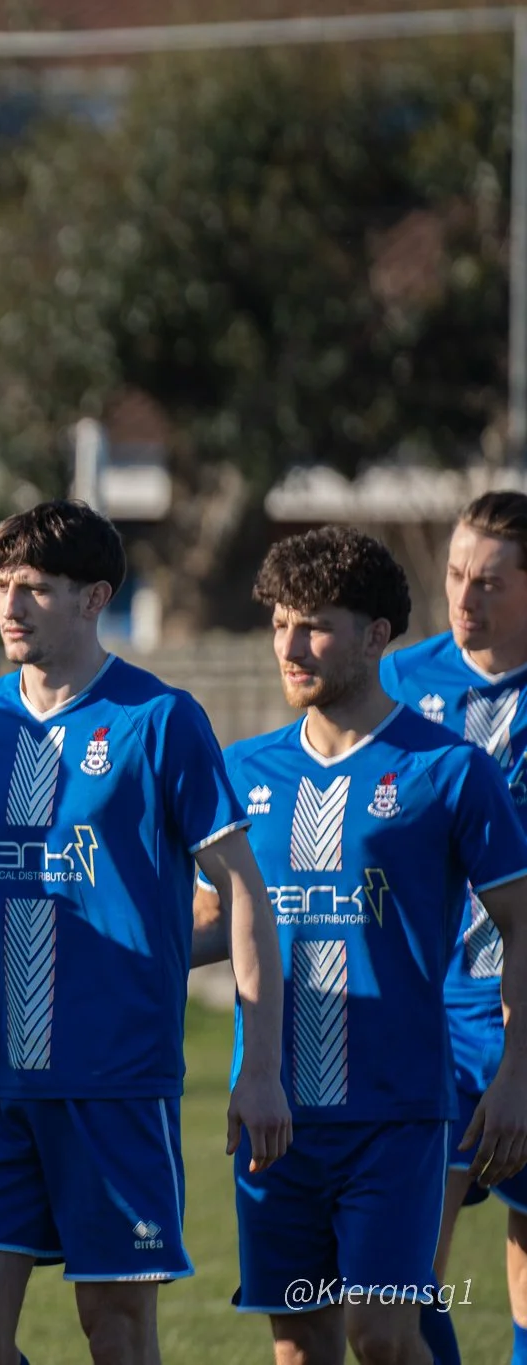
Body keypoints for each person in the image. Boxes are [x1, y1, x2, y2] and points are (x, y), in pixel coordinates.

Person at [0, 500, 289, 1365]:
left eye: (36, 589)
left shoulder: (158, 719)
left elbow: (242, 891)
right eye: (3, 585)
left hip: (116, 1082)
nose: (11, 606)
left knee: (115, 1332)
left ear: (94, 598)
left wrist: (260, 1067)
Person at [217, 526, 527, 1365]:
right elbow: (227, 920)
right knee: (299, 1345)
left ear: (377, 635)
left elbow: (520, 921)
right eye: (280, 622)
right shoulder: (243, 769)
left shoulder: (452, 771)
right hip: (275, 1107)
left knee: (384, 1335)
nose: (289, 644)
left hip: (397, 1111)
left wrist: (516, 1070)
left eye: (314, 623)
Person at [379, 491, 527, 1365]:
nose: (464, 599)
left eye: (492, 583)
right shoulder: (400, 679)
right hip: (426, 1017)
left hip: (521, 1009)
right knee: (404, 1273)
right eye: (455, 575)